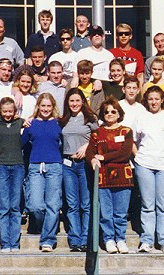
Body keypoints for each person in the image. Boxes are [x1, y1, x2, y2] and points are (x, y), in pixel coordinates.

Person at [86, 97, 134, 254]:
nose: (110, 114)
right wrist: (93, 158)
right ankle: (109, 240)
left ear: (119, 113)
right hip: (103, 178)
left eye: (113, 111)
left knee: (120, 213)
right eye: (106, 112)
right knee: (106, 213)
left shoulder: (126, 131)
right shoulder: (97, 133)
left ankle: (120, 239)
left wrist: (104, 157)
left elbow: (124, 153)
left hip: (122, 177)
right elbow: (90, 152)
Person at [134, 85, 164, 253]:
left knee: (163, 204)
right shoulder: (140, 118)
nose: (153, 102)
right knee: (147, 204)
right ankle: (147, 240)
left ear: (162, 100)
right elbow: (133, 141)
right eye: (150, 99)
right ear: (146, 100)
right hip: (144, 165)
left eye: (156, 99)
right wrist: (139, 157)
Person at [21, 93, 62, 252]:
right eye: (43, 106)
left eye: (48, 106)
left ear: (53, 107)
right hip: (35, 166)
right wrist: (22, 126)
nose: (45, 109)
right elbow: (22, 144)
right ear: (38, 106)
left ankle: (48, 239)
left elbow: (64, 144)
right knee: (35, 205)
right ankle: (47, 227)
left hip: (54, 166)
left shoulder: (59, 124)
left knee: (53, 204)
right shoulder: (31, 124)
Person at [59, 88, 98, 252]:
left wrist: (87, 146)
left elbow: (99, 138)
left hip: (84, 164)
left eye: (77, 100)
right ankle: (75, 239)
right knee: (72, 204)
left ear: (83, 101)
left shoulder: (90, 119)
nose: (74, 104)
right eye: (71, 101)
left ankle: (85, 239)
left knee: (86, 204)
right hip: (68, 163)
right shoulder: (64, 120)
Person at [0, 97, 25, 253]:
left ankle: (15, 243)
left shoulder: (20, 122)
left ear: (15, 111)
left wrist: (25, 121)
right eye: (5, 111)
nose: (8, 114)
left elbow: (31, 123)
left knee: (15, 206)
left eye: (11, 111)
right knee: (4, 206)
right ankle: (5, 243)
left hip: (18, 166)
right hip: (1, 166)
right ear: (0, 111)